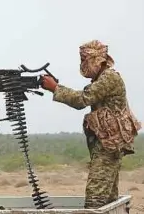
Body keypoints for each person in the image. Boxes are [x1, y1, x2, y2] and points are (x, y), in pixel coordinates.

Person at [40, 40, 141, 209]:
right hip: (108, 143)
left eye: (84, 60)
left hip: (109, 146)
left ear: (96, 60)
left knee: (95, 200)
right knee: (107, 199)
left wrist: (56, 88)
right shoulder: (102, 78)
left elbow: (82, 99)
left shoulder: (108, 78)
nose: (82, 65)